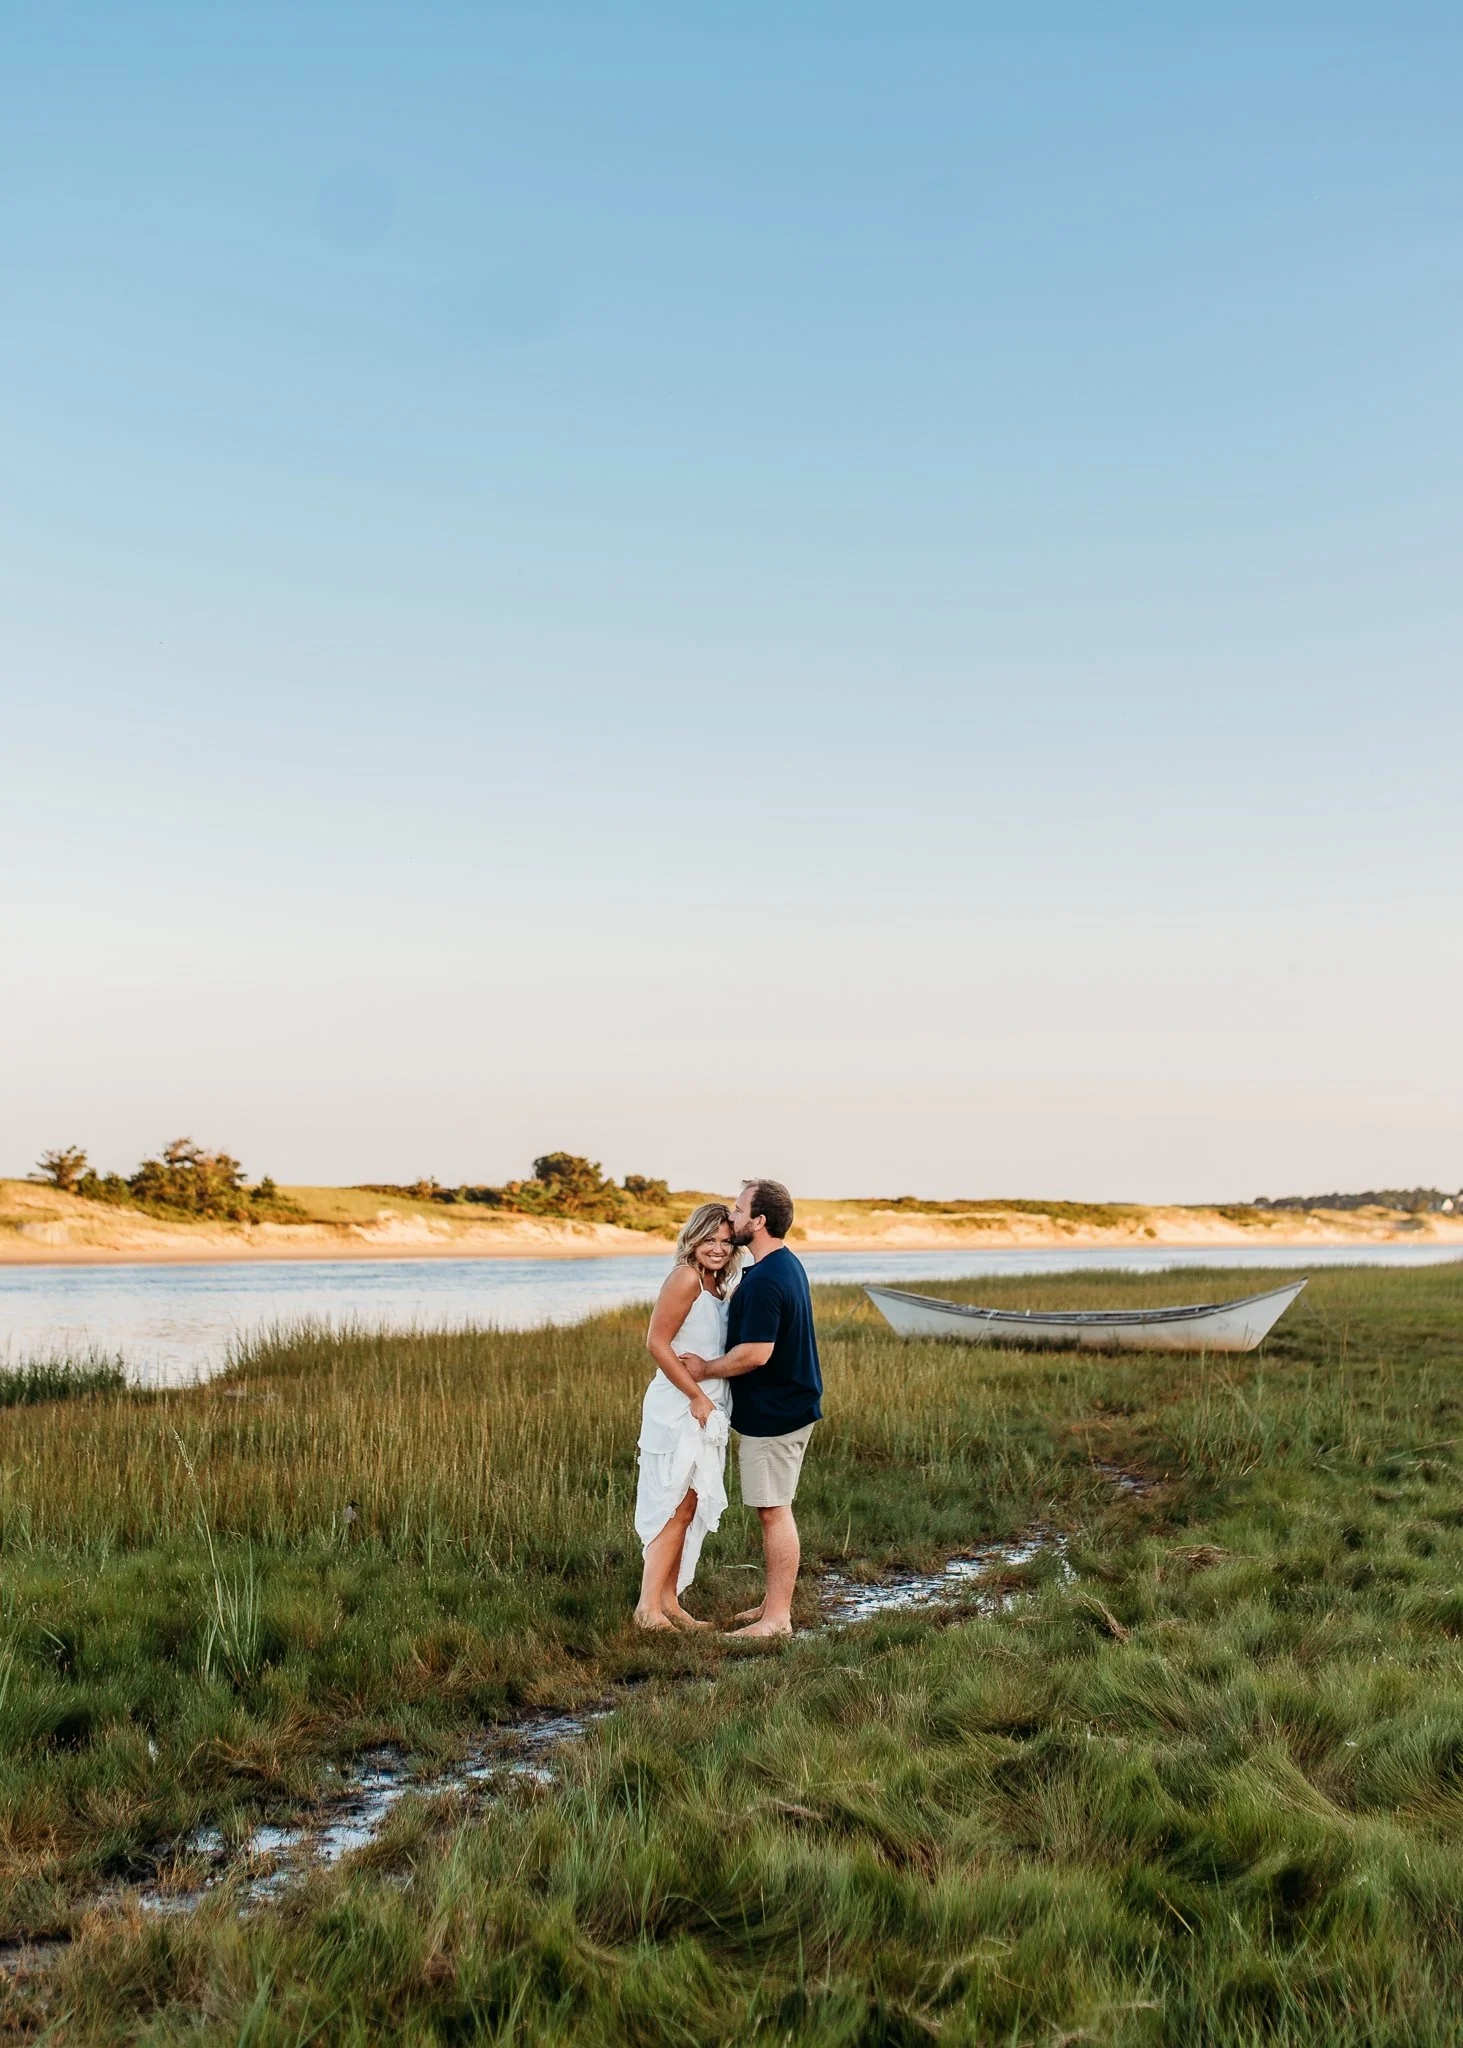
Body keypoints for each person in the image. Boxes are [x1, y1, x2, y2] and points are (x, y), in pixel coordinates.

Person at [682, 1177, 822, 1637]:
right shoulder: (783, 1265)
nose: (734, 1217)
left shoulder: (765, 1280)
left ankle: (777, 1619)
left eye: (741, 1212)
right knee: (773, 1505)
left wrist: (705, 1369)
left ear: (759, 1221)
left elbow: (756, 1353)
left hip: (777, 1413)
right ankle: (771, 1604)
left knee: (772, 1508)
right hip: (786, 1406)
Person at [632, 1202, 742, 1630]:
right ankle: (647, 1609)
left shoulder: (716, 1285)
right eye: (709, 1240)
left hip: (707, 1409)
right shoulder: (685, 1278)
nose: (717, 1248)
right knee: (674, 1503)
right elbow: (657, 1343)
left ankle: (670, 1602)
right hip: (680, 1405)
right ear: (692, 1239)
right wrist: (697, 1396)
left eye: (725, 1241)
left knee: (690, 1503)